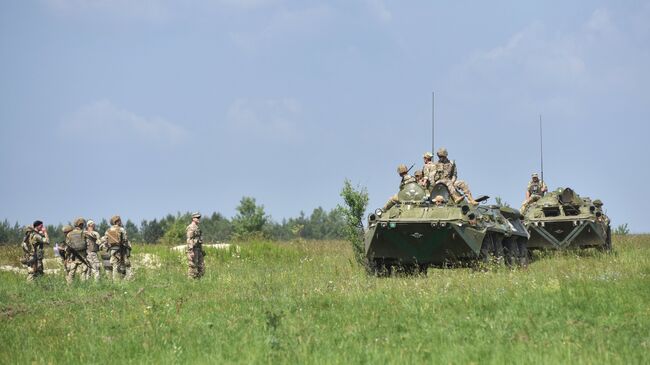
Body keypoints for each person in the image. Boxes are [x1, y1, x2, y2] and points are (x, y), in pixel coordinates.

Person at [102, 215, 133, 281]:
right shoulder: (121, 229)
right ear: (117, 221)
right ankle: (128, 279)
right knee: (127, 264)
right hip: (121, 250)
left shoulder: (108, 230)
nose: (121, 222)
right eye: (120, 220)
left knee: (115, 265)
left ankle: (115, 281)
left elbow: (105, 241)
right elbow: (125, 239)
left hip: (113, 250)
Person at [65, 217, 89, 284]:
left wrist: (67, 255)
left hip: (73, 255)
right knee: (83, 270)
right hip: (82, 254)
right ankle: (83, 285)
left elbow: (67, 245)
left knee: (72, 271)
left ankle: (69, 285)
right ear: (81, 224)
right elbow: (88, 243)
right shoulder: (84, 233)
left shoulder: (69, 234)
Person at [186, 212, 205, 279]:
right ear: (193, 218)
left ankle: (199, 282)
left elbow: (199, 240)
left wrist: (202, 250)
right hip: (193, 249)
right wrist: (191, 251)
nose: (198, 219)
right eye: (197, 217)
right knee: (192, 267)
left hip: (198, 249)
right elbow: (189, 239)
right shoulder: (190, 227)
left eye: (199, 217)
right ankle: (190, 282)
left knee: (201, 266)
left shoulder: (197, 228)